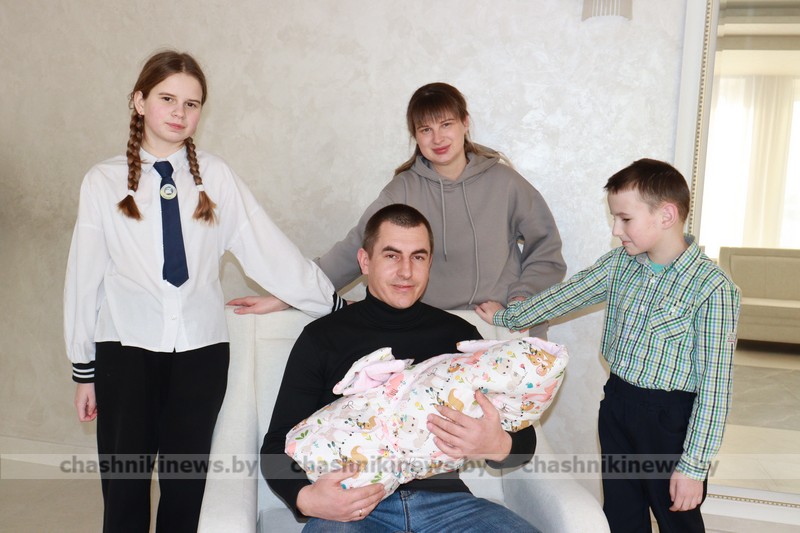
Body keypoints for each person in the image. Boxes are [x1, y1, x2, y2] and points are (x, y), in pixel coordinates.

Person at [63, 50, 343, 533]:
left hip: (201, 353)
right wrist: (83, 370)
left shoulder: (216, 177)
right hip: (124, 350)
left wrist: (327, 302)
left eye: (191, 104)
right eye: (167, 99)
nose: (179, 112)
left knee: (186, 487)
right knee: (125, 486)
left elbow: (268, 247)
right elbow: (83, 278)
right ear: (139, 102)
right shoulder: (102, 181)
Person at [476, 159, 741, 533]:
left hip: (670, 421)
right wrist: (507, 316)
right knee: (621, 512)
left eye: (625, 219)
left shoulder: (713, 289)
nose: (616, 230)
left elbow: (716, 389)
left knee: (676, 517)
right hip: (617, 404)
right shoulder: (619, 265)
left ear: (666, 215)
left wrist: (693, 467)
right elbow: (566, 296)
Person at [262, 204, 540, 532]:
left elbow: (523, 436)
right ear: (365, 261)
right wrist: (306, 498)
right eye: (392, 256)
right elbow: (276, 444)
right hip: (356, 507)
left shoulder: (459, 336)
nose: (406, 271)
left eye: (418, 257)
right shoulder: (321, 337)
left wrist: (496, 444)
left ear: (429, 263)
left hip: (449, 507)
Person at [229, 82, 566, 338]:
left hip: (501, 327)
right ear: (415, 136)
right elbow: (353, 251)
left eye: (446, 124)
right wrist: (290, 295)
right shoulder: (403, 190)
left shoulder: (505, 182)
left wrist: (521, 301)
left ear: (465, 123)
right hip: (431, 333)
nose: (437, 138)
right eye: (425, 129)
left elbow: (546, 250)